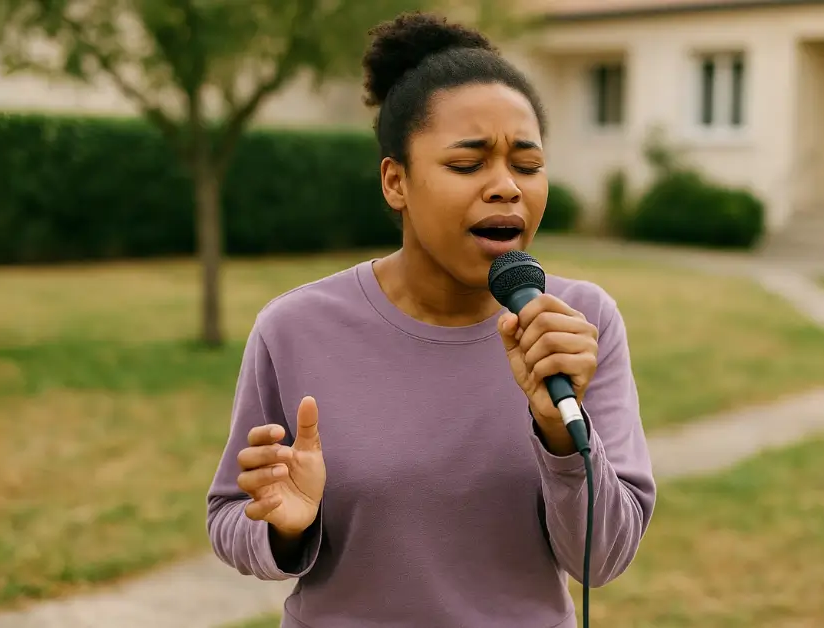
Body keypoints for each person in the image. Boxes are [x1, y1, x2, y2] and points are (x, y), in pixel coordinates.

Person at [206, 11, 656, 628]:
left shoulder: (580, 324)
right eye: (468, 164)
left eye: (527, 165)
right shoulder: (294, 327)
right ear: (396, 181)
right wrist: (286, 530)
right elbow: (229, 515)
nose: (506, 187)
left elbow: (602, 559)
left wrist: (558, 433)